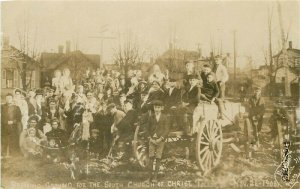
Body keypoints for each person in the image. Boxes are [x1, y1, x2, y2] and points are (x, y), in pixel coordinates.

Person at [144, 100, 169, 183]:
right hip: (152, 140)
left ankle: (155, 178)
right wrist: (150, 138)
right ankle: (149, 178)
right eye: (155, 107)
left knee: (158, 158)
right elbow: (146, 129)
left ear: (161, 108)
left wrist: (160, 139)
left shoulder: (165, 117)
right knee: (151, 158)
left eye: (158, 107)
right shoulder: (151, 117)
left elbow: (166, 130)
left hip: (160, 141)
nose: (156, 109)